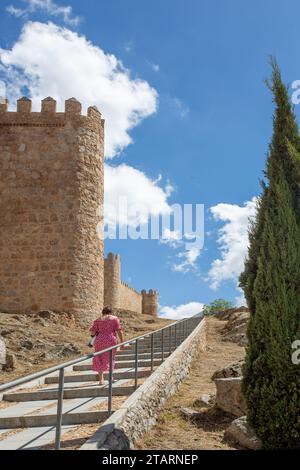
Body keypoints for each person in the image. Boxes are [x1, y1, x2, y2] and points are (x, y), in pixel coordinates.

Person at [90, 306, 124, 385]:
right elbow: (119, 331)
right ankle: (110, 377)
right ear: (110, 312)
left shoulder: (98, 320)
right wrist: (122, 342)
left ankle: (101, 380)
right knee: (111, 358)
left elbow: (92, 332)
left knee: (99, 358)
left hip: (100, 340)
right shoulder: (115, 319)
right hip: (111, 340)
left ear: (103, 312)